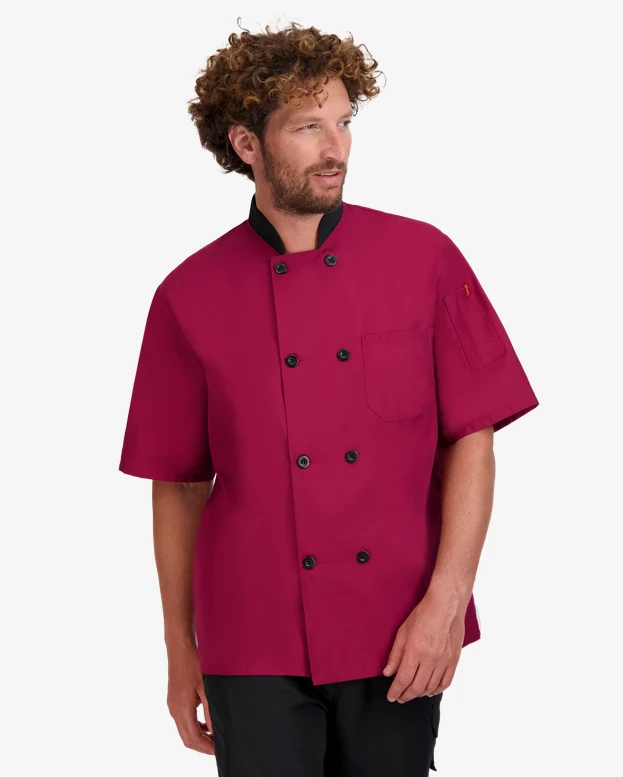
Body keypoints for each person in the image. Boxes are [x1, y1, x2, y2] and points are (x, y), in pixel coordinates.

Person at [118, 19, 539, 777]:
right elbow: (177, 485)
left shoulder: (425, 258)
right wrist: (181, 652)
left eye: (344, 122)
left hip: (396, 625)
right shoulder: (186, 294)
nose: (335, 147)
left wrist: (447, 602)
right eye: (308, 126)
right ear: (246, 143)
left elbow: (471, 437)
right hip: (249, 635)